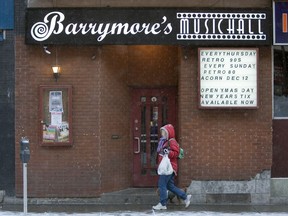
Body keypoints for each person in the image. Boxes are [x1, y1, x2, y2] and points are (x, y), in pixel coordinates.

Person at [153, 124, 191, 210]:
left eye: (164, 133)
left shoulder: (172, 141)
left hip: (169, 168)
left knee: (162, 184)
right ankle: (185, 197)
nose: (162, 135)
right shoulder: (166, 141)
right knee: (170, 186)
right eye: (162, 133)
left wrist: (168, 152)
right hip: (170, 168)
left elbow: (176, 153)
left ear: (169, 133)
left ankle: (162, 203)